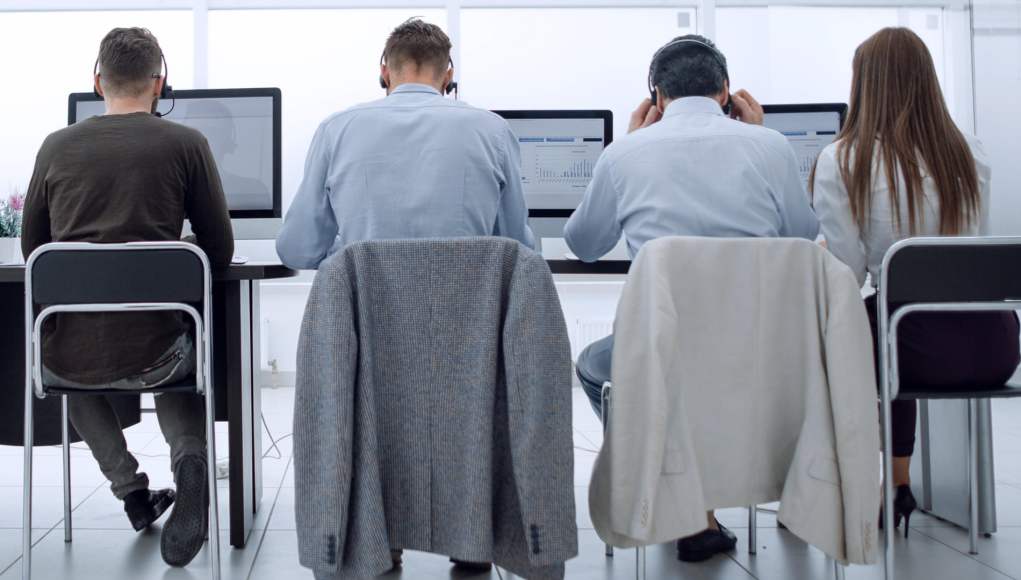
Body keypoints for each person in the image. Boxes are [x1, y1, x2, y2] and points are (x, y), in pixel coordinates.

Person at [564, 34, 819, 562]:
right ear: (726, 91)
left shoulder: (625, 152)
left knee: (596, 366)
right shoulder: (769, 147)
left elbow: (584, 245)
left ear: (655, 97)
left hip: (662, 352)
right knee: (711, 369)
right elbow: (802, 232)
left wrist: (627, 144)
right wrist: (761, 138)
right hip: (758, 353)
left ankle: (675, 496)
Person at [21, 27, 234, 568]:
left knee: (65, 354)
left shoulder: (55, 145)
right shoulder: (187, 144)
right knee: (174, 338)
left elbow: (34, 252)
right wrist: (172, 254)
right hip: (160, 350)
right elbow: (220, 249)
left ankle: (132, 492)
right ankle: (189, 460)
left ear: (97, 81)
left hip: (73, 357)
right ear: (161, 84)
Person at [812, 27, 1020, 535]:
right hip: (992, 345)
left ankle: (831, 487)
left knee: (846, 329)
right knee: (897, 321)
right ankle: (899, 483)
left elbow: (848, 272)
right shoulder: (970, 153)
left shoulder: (843, 159)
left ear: (866, 85)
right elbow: (975, 247)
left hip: (905, 348)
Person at [275, 18, 534, 270]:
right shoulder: (493, 130)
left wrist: (351, 254)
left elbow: (297, 250)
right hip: (468, 310)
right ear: (448, 76)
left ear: (384, 73)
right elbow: (520, 251)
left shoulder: (336, 130)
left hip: (366, 313)